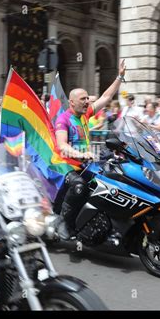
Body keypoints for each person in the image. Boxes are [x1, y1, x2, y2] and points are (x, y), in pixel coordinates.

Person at [55, 59, 126, 239]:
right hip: (66, 166)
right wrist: (80, 154)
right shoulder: (63, 120)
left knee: (110, 181)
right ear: (72, 102)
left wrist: (119, 77)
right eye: (83, 99)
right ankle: (63, 223)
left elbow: (106, 97)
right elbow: (62, 145)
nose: (87, 101)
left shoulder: (86, 114)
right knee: (79, 186)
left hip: (86, 164)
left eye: (87, 98)